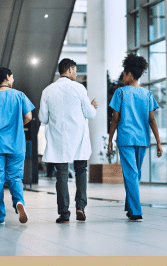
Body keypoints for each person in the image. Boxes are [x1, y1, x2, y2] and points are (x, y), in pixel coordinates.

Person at [39, 58, 98, 223]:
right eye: (76, 70)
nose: (76, 74)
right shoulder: (79, 88)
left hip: (59, 139)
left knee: (61, 175)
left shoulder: (48, 90)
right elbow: (90, 114)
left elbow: (43, 118)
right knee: (81, 171)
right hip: (78, 139)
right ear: (70, 69)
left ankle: (64, 214)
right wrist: (91, 106)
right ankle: (80, 207)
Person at [108, 54, 163, 221]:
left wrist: (110, 139)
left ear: (130, 74)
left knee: (132, 174)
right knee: (134, 174)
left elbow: (115, 118)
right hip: (142, 139)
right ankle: (130, 207)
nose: (123, 77)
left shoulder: (120, 92)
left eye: (124, 74)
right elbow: (151, 119)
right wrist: (158, 143)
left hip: (125, 139)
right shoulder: (147, 95)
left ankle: (136, 210)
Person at [0, 67, 34, 225]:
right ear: (7, 77)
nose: (13, 80)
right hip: (16, 144)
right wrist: (18, 124)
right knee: (15, 177)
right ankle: (19, 202)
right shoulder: (19, 95)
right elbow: (28, 116)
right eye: (12, 77)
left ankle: (0, 217)